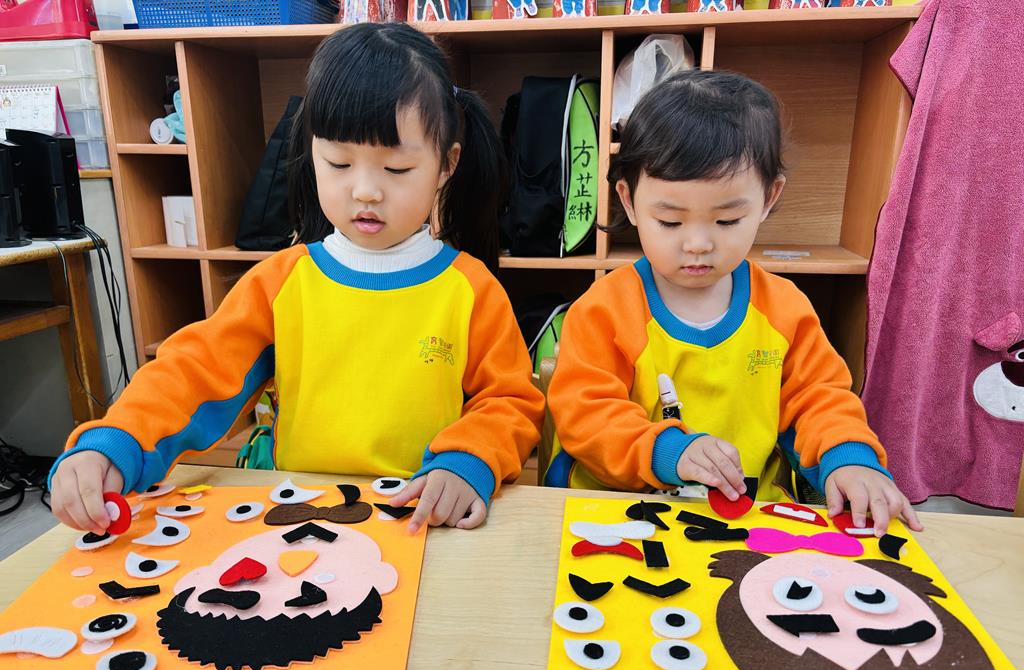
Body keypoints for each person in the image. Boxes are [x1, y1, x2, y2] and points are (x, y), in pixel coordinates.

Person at [49, 23, 543, 536]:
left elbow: (510, 401)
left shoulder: (470, 289)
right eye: (339, 162)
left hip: (419, 520)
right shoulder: (281, 281)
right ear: (313, 152)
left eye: (396, 169)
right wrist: (118, 440)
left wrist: (467, 460)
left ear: (446, 165)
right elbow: (194, 372)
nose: (366, 191)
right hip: (302, 515)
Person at [547, 69, 920, 536]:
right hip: (621, 517)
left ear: (768, 198)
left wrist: (849, 457)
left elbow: (820, 399)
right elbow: (585, 415)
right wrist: (669, 451)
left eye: (726, 221)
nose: (698, 244)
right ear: (628, 200)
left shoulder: (784, 309)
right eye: (669, 222)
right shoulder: (605, 310)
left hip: (750, 522)